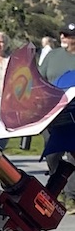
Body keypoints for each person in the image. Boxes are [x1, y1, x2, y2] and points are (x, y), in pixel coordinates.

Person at [39, 22, 75, 174]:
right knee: (52, 154)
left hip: (73, 115)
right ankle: (57, 182)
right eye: (62, 34)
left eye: (67, 35)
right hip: (52, 112)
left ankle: (70, 194)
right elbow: (40, 79)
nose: (62, 37)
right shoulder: (52, 56)